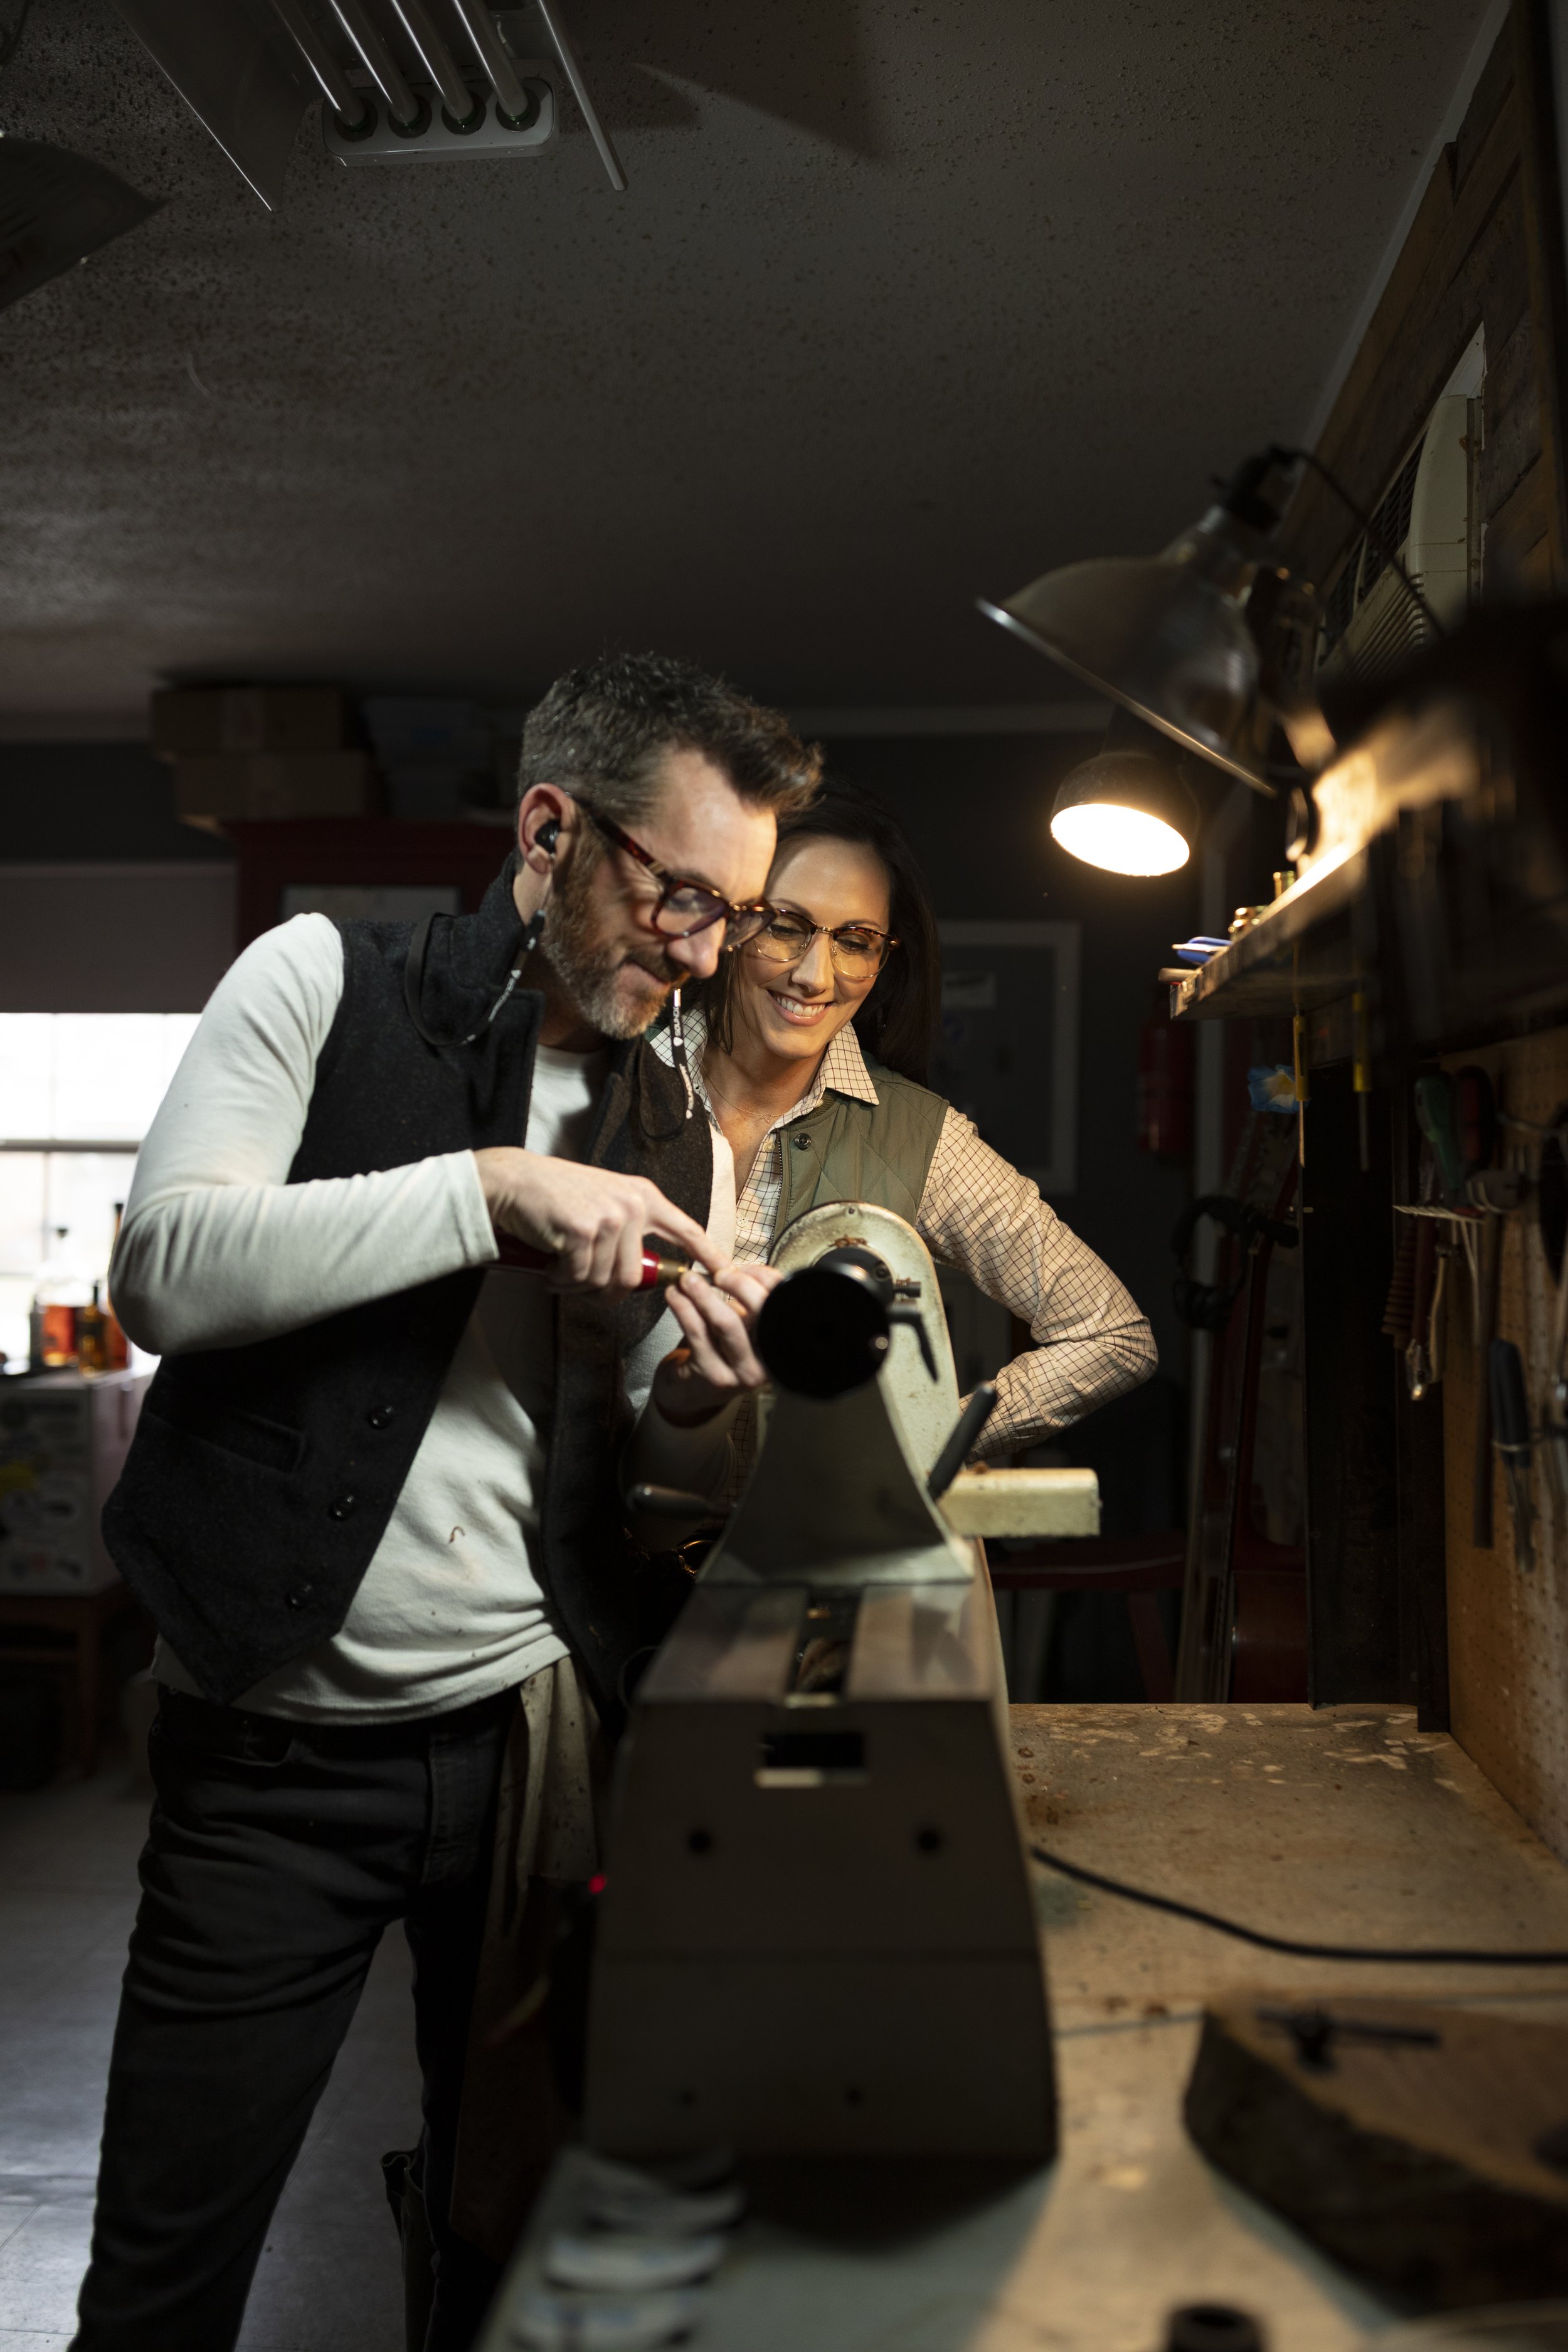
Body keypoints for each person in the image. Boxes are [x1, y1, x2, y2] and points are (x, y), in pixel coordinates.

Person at [72, 653, 819, 2352]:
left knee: (506, 2258)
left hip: (530, 1750)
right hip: (267, 1755)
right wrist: (486, 1189)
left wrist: (698, 1387)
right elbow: (165, 1270)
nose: (708, 952)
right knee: (159, 2282)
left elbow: (628, 1437)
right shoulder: (317, 980)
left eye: (740, 913)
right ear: (550, 833)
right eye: (681, 893)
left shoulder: (677, 1119)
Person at [632, 778, 1157, 1470]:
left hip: (804, 1562)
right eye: (786, 925)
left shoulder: (920, 1138)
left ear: (884, 959)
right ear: (731, 921)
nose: (815, 976)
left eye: (856, 940)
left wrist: (921, 1446)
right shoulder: (619, 1078)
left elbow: (1113, 1336)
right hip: (585, 1545)